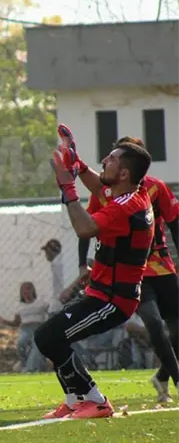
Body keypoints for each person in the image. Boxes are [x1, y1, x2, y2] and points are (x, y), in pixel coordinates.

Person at [35, 141, 154, 419]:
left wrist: (68, 188)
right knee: (51, 338)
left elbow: (85, 228)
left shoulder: (125, 207)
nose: (104, 161)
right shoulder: (129, 196)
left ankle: (96, 400)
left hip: (112, 301)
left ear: (123, 174)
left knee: (49, 336)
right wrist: (77, 164)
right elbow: (101, 188)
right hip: (102, 295)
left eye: (111, 159)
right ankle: (76, 400)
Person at [66, 129, 179, 403]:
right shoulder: (105, 191)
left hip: (162, 266)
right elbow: (88, 227)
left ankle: (162, 375)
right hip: (134, 272)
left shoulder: (153, 188)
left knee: (176, 328)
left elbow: (175, 223)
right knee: (153, 323)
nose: (108, 161)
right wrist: (82, 264)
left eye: (115, 157)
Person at [0, 281, 48, 373]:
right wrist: (4, 321)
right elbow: (16, 323)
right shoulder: (19, 306)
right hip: (26, 329)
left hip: (39, 328)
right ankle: (26, 364)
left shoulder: (41, 302)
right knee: (21, 345)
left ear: (33, 290)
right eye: (23, 290)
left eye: (28, 288)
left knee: (36, 346)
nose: (26, 291)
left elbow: (50, 313)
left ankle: (30, 369)